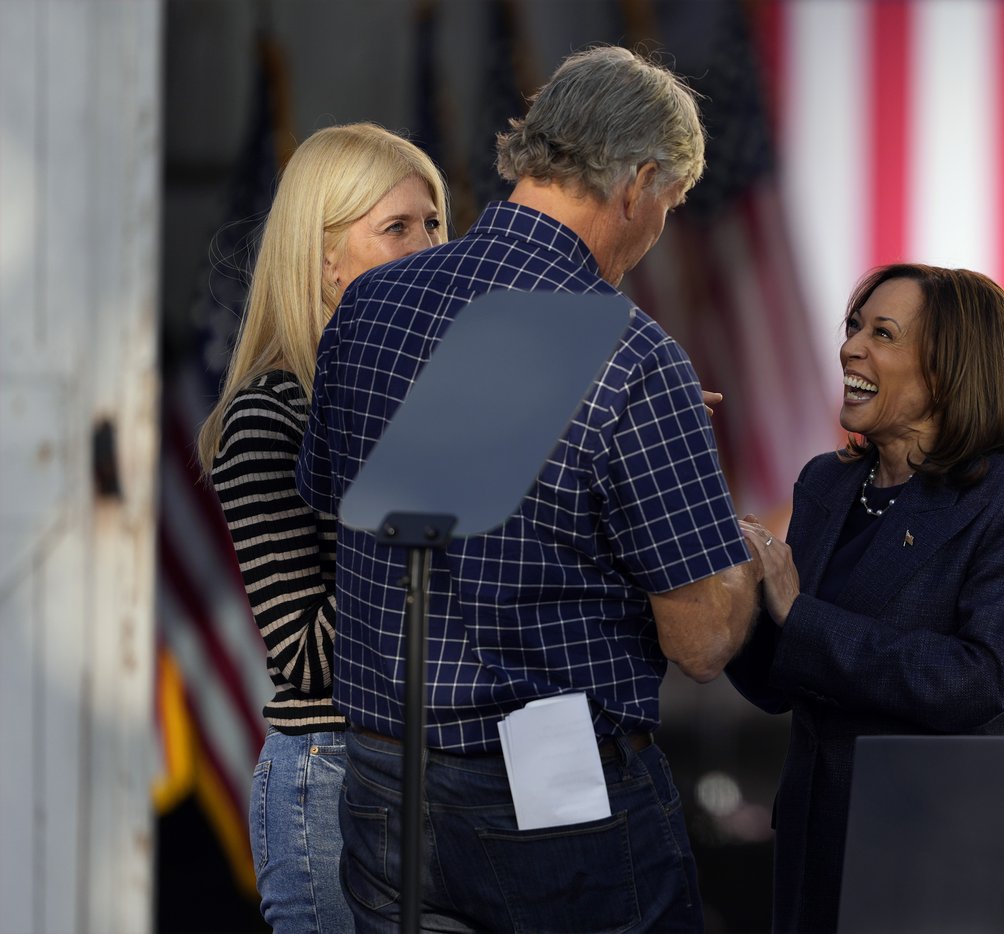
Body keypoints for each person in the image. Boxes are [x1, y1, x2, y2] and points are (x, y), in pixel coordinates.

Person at [296, 46, 761, 932]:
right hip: (552, 795)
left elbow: (331, 495)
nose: (660, 226)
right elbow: (701, 641)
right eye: (668, 203)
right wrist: (743, 556)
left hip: (384, 776)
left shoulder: (370, 305)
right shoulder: (634, 355)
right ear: (639, 183)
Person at [727, 263, 1004, 933]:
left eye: (882, 334)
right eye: (855, 327)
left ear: (950, 370)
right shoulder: (826, 482)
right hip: (813, 841)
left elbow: (975, 682)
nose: (851, 347)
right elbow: (782, 680)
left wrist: (799, 614)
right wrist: (728, 600)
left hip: (933, 846)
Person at [197, 122, 448, 932]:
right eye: (396, 228)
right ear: (322, 259)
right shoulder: (270, 417)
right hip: (334, 778)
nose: (429, 246)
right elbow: (304, 656)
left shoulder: (448, 412)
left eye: (435, 222)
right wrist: (424, 491)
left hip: (451, 777)